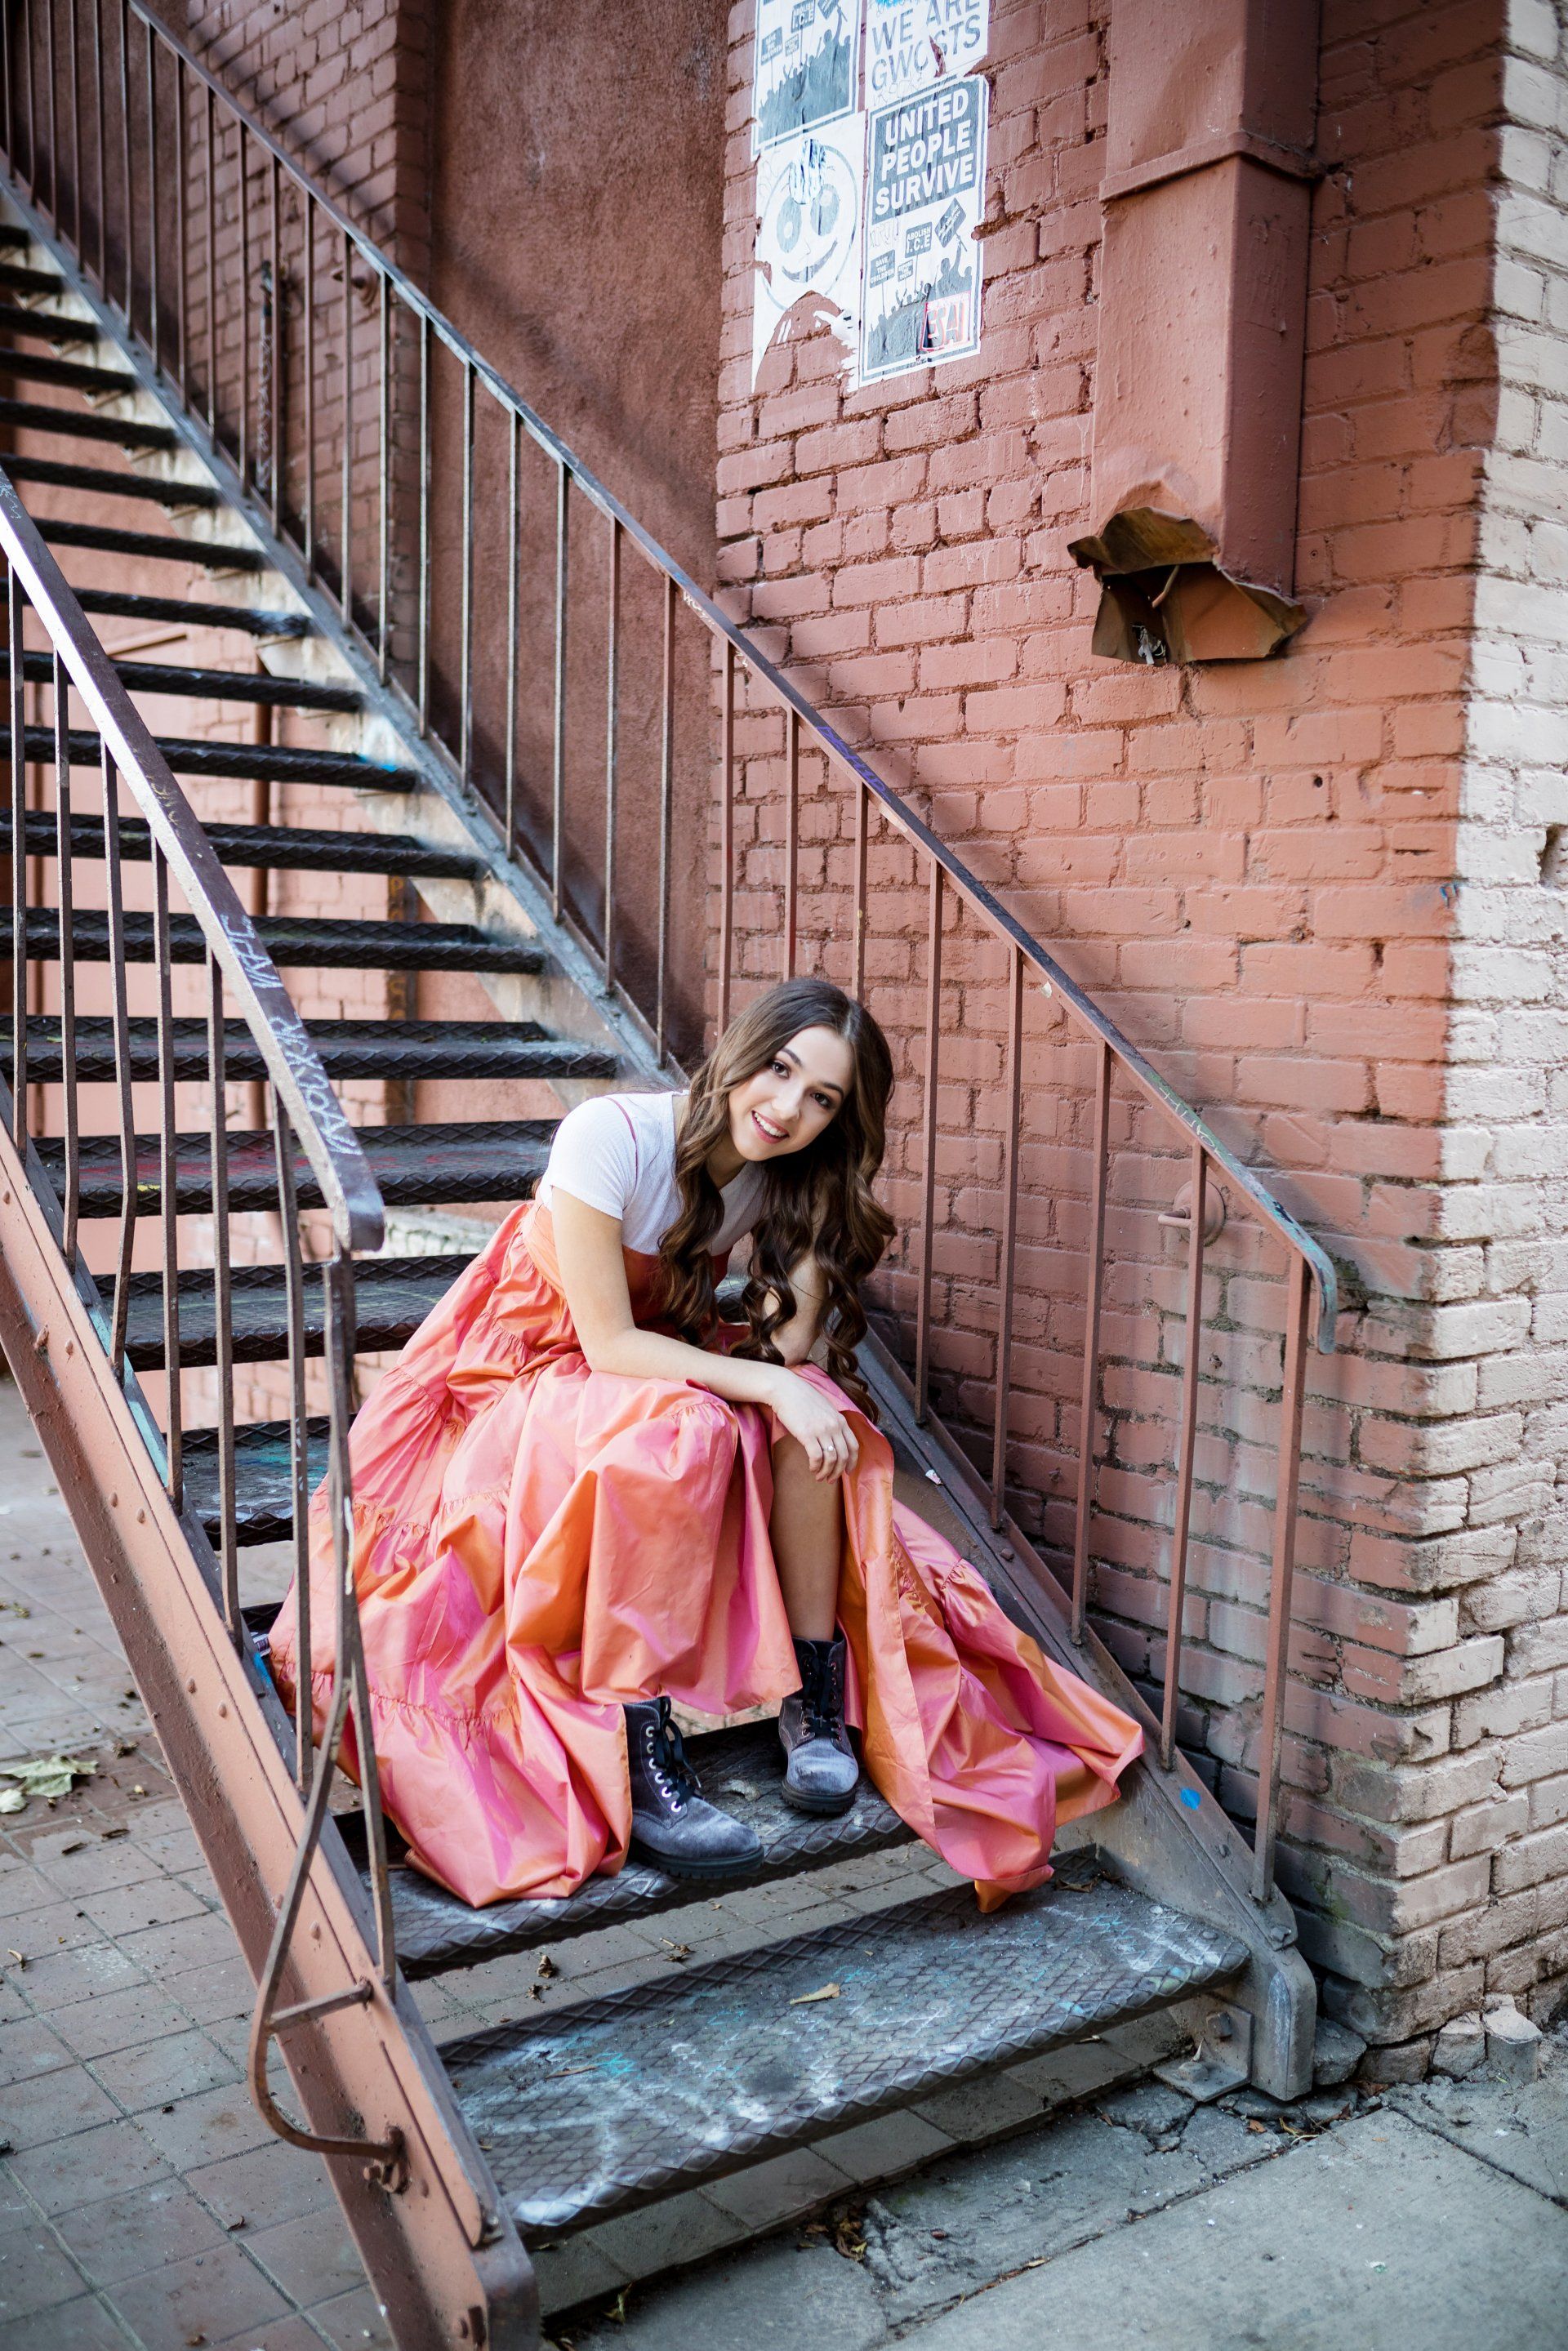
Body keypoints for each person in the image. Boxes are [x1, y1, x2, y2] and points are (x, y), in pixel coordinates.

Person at [267, 977, 1141, 1911]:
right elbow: (604, 1342)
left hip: (627, 1373)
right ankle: (641, 1737)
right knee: (690, 1424)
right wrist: (761, 1380)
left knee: (816, 1412)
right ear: (740, 1049)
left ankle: (813, 1697)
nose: (787, 1108)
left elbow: (790, 1350)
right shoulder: (612, 1134)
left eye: (823, 1102)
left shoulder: (774, 1172)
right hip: (521, 1370)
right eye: (780, 1070)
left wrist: (818, 1215)